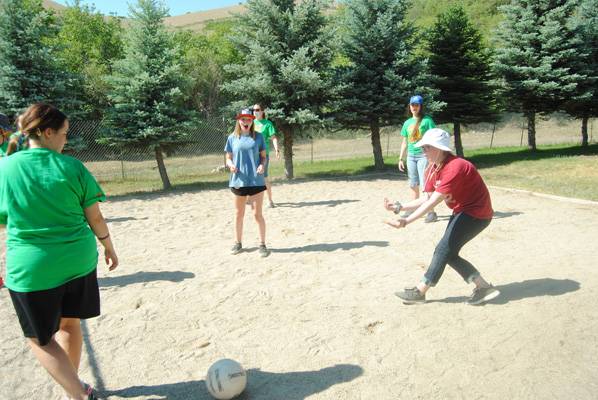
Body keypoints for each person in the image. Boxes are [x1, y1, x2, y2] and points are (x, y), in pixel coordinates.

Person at [0, 103, 118, 400]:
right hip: (79, 260)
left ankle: (77, 393)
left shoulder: (5, 168)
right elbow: (95, 218)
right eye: (64, 133)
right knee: (69, 324)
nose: (66, 139)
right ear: (47, 132)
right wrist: (108, 246)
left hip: (33, 268)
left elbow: (3, 220)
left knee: (39, 340)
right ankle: (74, 391)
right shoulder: (73, 167)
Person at [384, 128, 499, 305]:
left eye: (427, 147)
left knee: (442, 250)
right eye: (423, 148)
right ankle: (483, 287)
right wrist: (400, 207)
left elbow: (433, 202)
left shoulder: (456, 166)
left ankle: (420, 291)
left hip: (477, 213)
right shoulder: (432, 168)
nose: (423, 151)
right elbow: (426, 198)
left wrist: (406, 221)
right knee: (447, 253)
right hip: (461, 212)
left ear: (439, 148)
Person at [225, 108, 270, 258]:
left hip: (256, 181)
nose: (246, 122)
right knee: (239, 214)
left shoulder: (258, 137)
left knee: (257, 214)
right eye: (243, 119)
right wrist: (230, 165)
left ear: (252, 121)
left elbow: (263, 157)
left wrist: (262, 165)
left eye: (249, 119)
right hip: (238, 180)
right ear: (239, 121)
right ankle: (238, 243)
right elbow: (228, 157)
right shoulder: (232, 138)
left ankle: (262, 244)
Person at [398, 95, 438, 223]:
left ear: (421, 106)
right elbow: (404, 142)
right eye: (412, 105)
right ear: (409, 106)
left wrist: (433, 155)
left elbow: (434, 137)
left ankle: (431, 212)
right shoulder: (407, 123)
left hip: (423, 156)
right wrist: (400, 158)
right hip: (411, 156)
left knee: (425, 185)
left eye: (417, 105)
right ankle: (413, 209)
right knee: (413, 184)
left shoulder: (427, 121)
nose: (414, 107)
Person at [252, 103, 280, 208]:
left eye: (257, 110)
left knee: (264, 177)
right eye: (254, 110)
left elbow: (273, 138)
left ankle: (270, 201)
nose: (255, 111)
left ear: (262, 111)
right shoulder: (251, 123)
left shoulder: (267, 124)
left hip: (263, 155)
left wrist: (277, 149)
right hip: (251, 155)